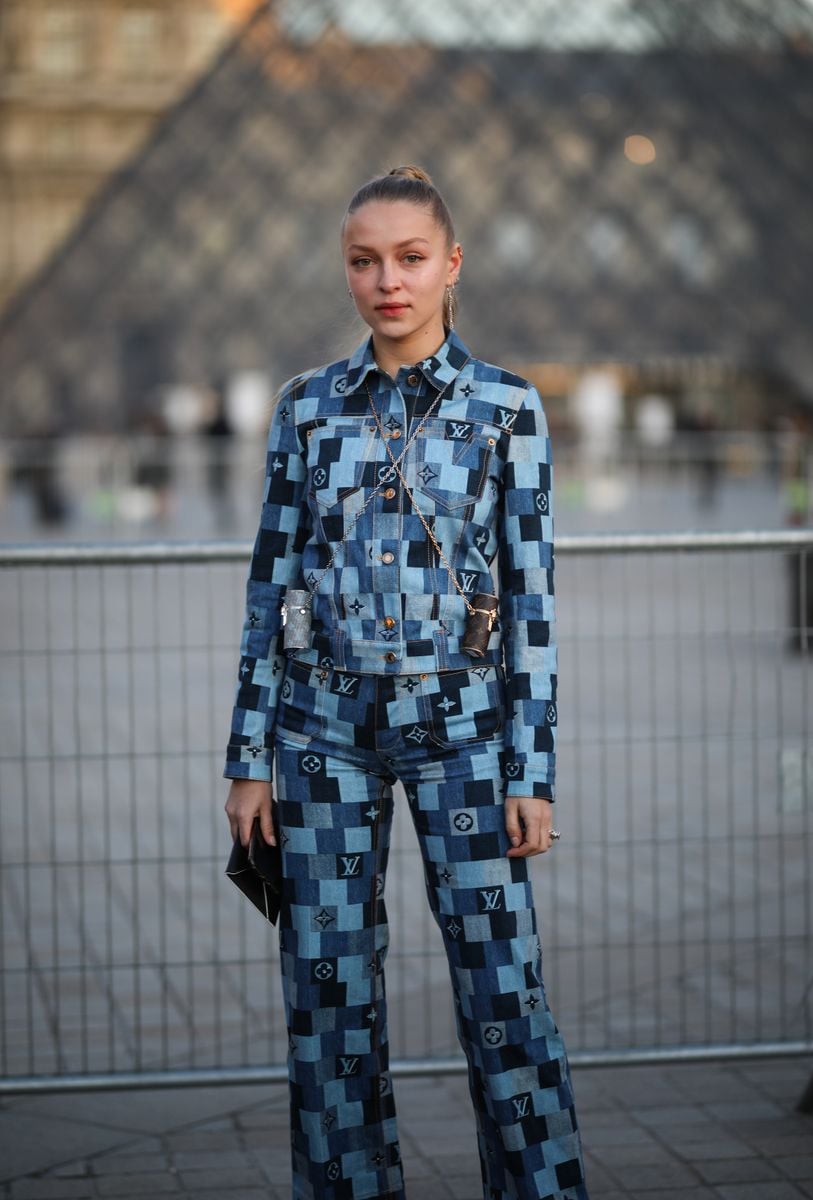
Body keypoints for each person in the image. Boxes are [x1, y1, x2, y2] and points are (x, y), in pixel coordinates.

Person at [224, 165, 589, 1200]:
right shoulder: (305, 409)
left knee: (503, 998)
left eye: (409, 257)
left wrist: (532, 772)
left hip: (464, 730)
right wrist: (248, 757)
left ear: (450, 265)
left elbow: (528, 603)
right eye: (364, 260)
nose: (387, 279)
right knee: (325, 1007)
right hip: (318, 731)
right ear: (346, 270)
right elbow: (271, 589)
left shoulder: (507, 408)